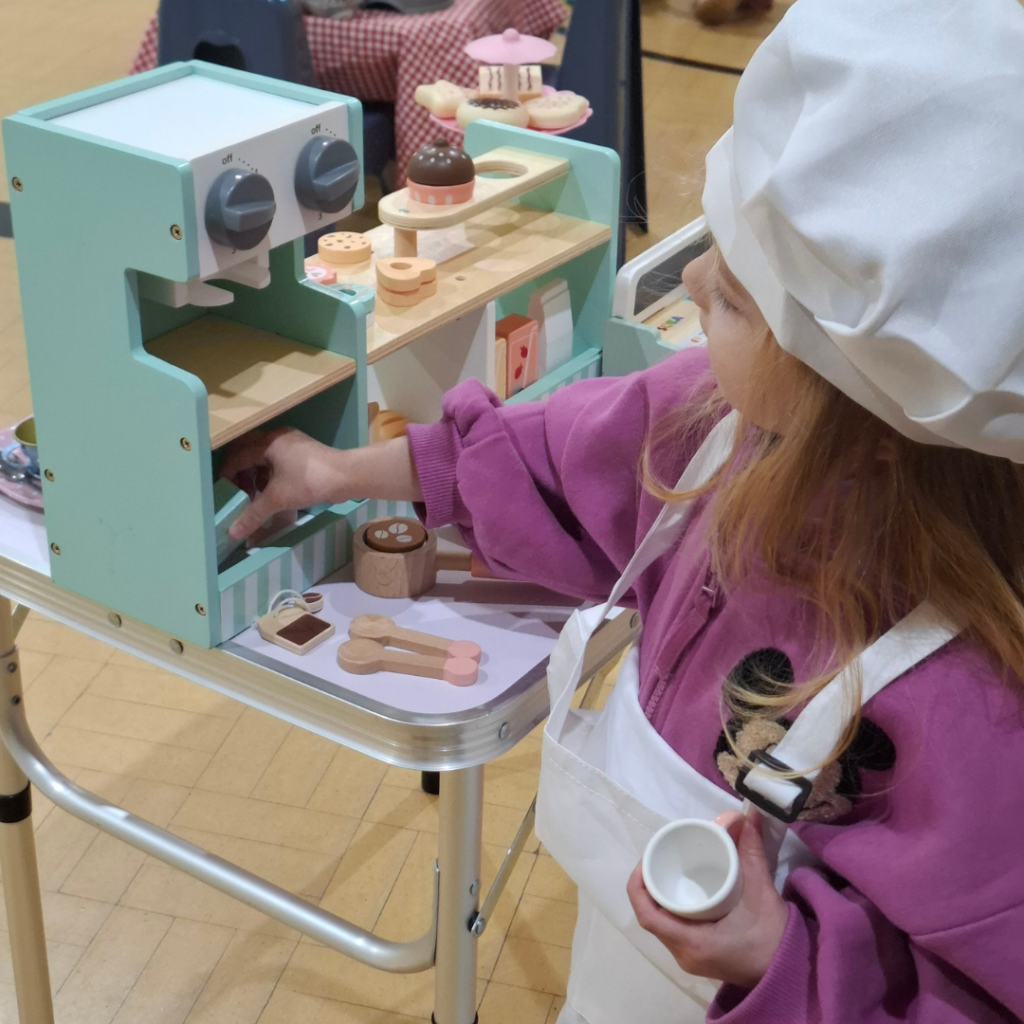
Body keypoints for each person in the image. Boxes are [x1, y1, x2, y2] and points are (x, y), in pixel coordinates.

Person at [221, 0, 1024, 1018]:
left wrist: (784, 953)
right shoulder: (715, 419)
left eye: (729, 296)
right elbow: (537, 460)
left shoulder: (978, 705)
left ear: (862, 409)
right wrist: (333, 473)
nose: (685, 278)